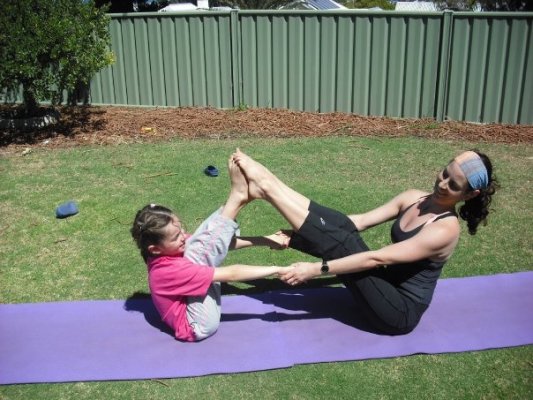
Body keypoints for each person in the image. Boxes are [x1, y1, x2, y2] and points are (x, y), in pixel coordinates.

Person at [232, 148, 497, 335]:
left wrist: (315, 270)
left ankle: (267, 189)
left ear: (469, 194)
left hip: (398, 312)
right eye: (445, 173)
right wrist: (308, 231)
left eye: (453, 185)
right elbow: (357, 221)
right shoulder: (415, 197)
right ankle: (269, 187)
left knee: (348, 245)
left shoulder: (445, 229)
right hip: (382, 284)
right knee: (343, 228)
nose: (442, 183)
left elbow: (377, 258)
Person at [130, 156, 288, 342]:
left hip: (192, 302)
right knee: (198, 251)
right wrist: (277, 269)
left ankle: (237, 200)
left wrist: (265, 240)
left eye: (181, 229)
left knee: (199, 241)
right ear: (155, 249)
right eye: (175, 236)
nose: (182, 235)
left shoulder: (166, 250)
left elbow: (218, 244)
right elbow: (231, 273)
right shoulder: (167, 271)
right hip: (197, 325)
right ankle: (237, 198)